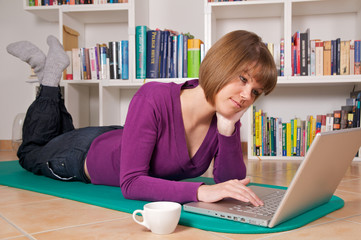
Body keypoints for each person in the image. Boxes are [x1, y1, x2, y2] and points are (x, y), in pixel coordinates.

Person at [7, 30, 277, 205]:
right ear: (221, 63)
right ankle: (50, 78)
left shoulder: (226, 113)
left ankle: (47, 77)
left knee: (58, 134)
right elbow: (132, 183)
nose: (245, 96)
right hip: (82, 156)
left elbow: (228, 183)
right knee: (30, 152)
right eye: (243, 79)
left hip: (119, 139)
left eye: (255, 91)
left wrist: (228, 129)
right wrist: (197, 191)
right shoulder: (153, 97)